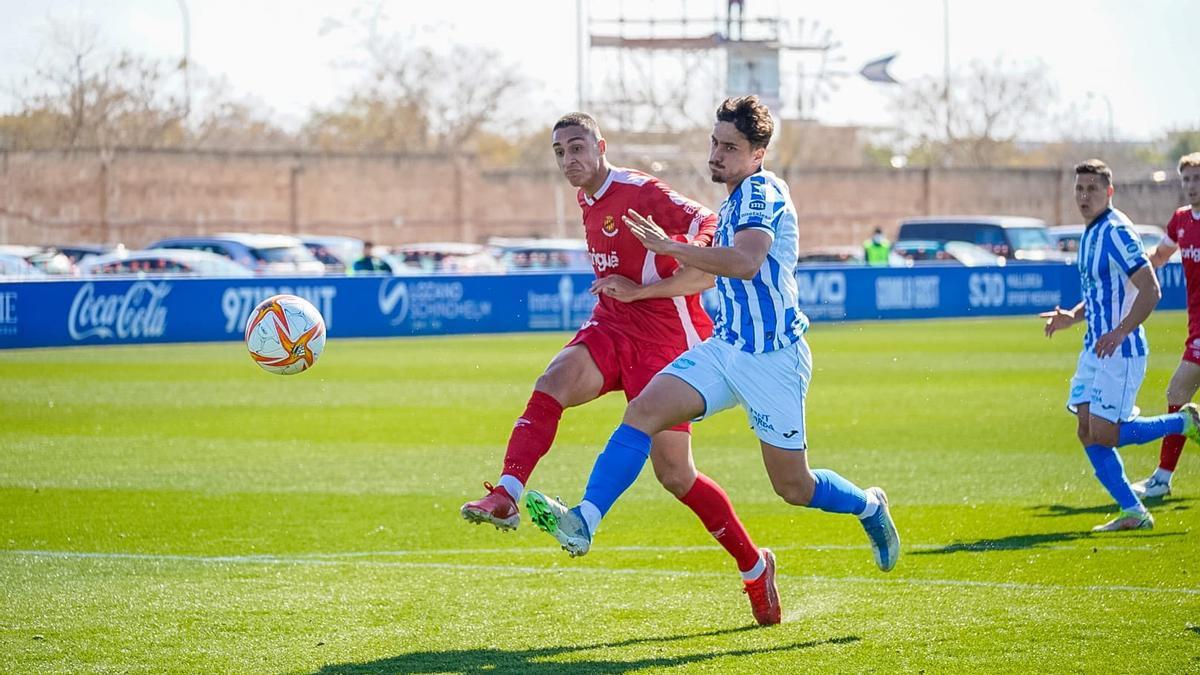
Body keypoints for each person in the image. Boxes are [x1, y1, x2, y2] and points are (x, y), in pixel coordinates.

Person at [523, 96, 901, 599]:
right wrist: (642, 291)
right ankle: (585, 519)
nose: (717, 155)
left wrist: (669, 247)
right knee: (643, 411)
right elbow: (704, 272)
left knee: (794, 487)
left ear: (757, 153)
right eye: (715, 143)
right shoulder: (734, 197)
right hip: (727, 348)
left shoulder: (762, 193)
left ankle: (869, 506)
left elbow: (744, 261)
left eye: (730, 147)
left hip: (774, 360)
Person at [460, 112, 781, 625]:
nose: (570, 159)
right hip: (612, 326)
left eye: (578, 147)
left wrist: (670, 266)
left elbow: (707, 223)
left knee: (676, 476)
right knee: (552, 383)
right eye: (561, 151)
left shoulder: (640, 190)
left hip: (667, 341)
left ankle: (752, 565)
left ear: (601, 146)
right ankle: (507, 493)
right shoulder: (586, 198)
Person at [1040, 158, 1200, 531]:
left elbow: (1150, 288)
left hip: (1120, 350)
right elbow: (1102, 294)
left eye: (1092, 189)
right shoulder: (1091, 232)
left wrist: (1122, 331)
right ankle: (1134, 511)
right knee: (1086, 429)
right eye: (1079, 189)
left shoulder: (1116, 231)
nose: (1084, 195)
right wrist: (1071, 317)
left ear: (1108, 192)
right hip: (1095, 348)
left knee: (1107, 434)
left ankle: (1182, 421)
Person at [1134, 152, 1200, 498]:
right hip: (1196, 327)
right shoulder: (1180, 221)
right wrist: (1130, 272)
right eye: (1187, 179)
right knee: (1178, 395)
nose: (1191, 185)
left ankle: (1161, 479)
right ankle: (1161, 478)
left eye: (1197, 179)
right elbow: (1158, 258)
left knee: (1177, 392)